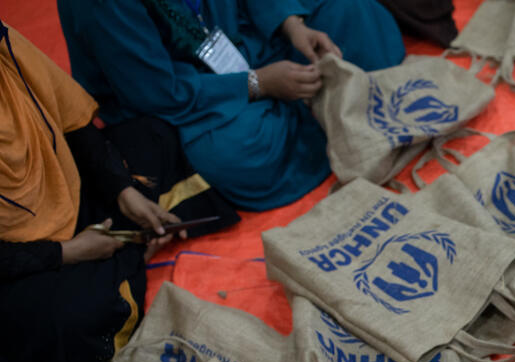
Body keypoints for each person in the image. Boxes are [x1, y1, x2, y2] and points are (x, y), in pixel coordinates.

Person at [0, 21, 236, 362]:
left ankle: (125, 246)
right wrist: (70, 251)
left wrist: (123, 191)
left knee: (152, 138)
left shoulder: (6, 46)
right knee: (68, 318)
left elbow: (72, 122)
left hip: (67, 193)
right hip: (19, 263)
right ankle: (128, 254)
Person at [57, 0, 407, 210]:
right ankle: (332, 104)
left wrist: (291, 25)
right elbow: (155, 92)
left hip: (244, 38)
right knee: (240, 150)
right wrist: (259, 83)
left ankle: (316, 104)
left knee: (356, 16)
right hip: (189, 93)